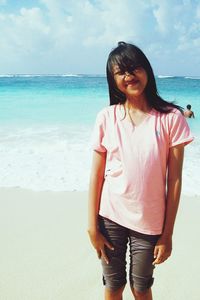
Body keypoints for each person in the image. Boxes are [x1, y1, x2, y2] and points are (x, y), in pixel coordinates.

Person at [88, 42, 193, 300]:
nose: (129, 75)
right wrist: (92, 226)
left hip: (150, 220)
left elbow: (175, 179)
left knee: (141, 287)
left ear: (147, 70)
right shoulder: (107, 117)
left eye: (135, 67)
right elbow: (96, 175)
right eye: (120, 72)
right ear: (113, 80)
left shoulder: (171, 118)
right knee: (113, 286)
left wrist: (167, 233)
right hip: (110, 216)